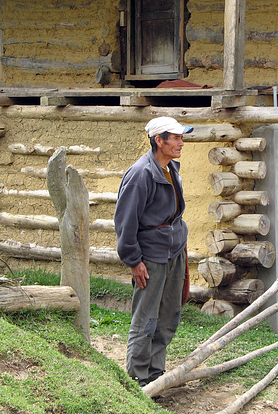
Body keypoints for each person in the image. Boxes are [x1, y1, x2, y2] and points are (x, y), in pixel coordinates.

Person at [114, 116, 193, 387]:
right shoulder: (140, 174)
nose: (182, 143)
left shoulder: (171, 168)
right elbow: (125, 222)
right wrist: (134, 261)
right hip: (151, 257)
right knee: (146, 318)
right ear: (159, 140)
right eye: (177, 138)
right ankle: (138, 377)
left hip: (173, 253)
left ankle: (155, 376)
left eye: (182, 137)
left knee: (169, 315)